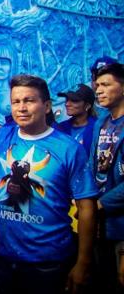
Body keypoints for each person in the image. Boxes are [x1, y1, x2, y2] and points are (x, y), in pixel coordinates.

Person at [0, 74, 96, 294]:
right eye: (16, 101)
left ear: (46, 106)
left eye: (29, 100)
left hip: (50, 263)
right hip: (6, 259)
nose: (22, 108)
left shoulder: (68, 148)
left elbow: (86, 207)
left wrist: (83, 262)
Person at [91, 63, 124, 293]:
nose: (99, 90)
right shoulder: (101, 123)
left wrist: (102, 203)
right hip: (99, 222)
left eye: (106, 85)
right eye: (97, 86)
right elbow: (91, 166)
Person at [56, 83, 97, 156]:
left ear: (87, 105)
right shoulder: (59, 128)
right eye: (67, 100)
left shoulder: (99, 128)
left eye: (74, 100)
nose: (67, 104)